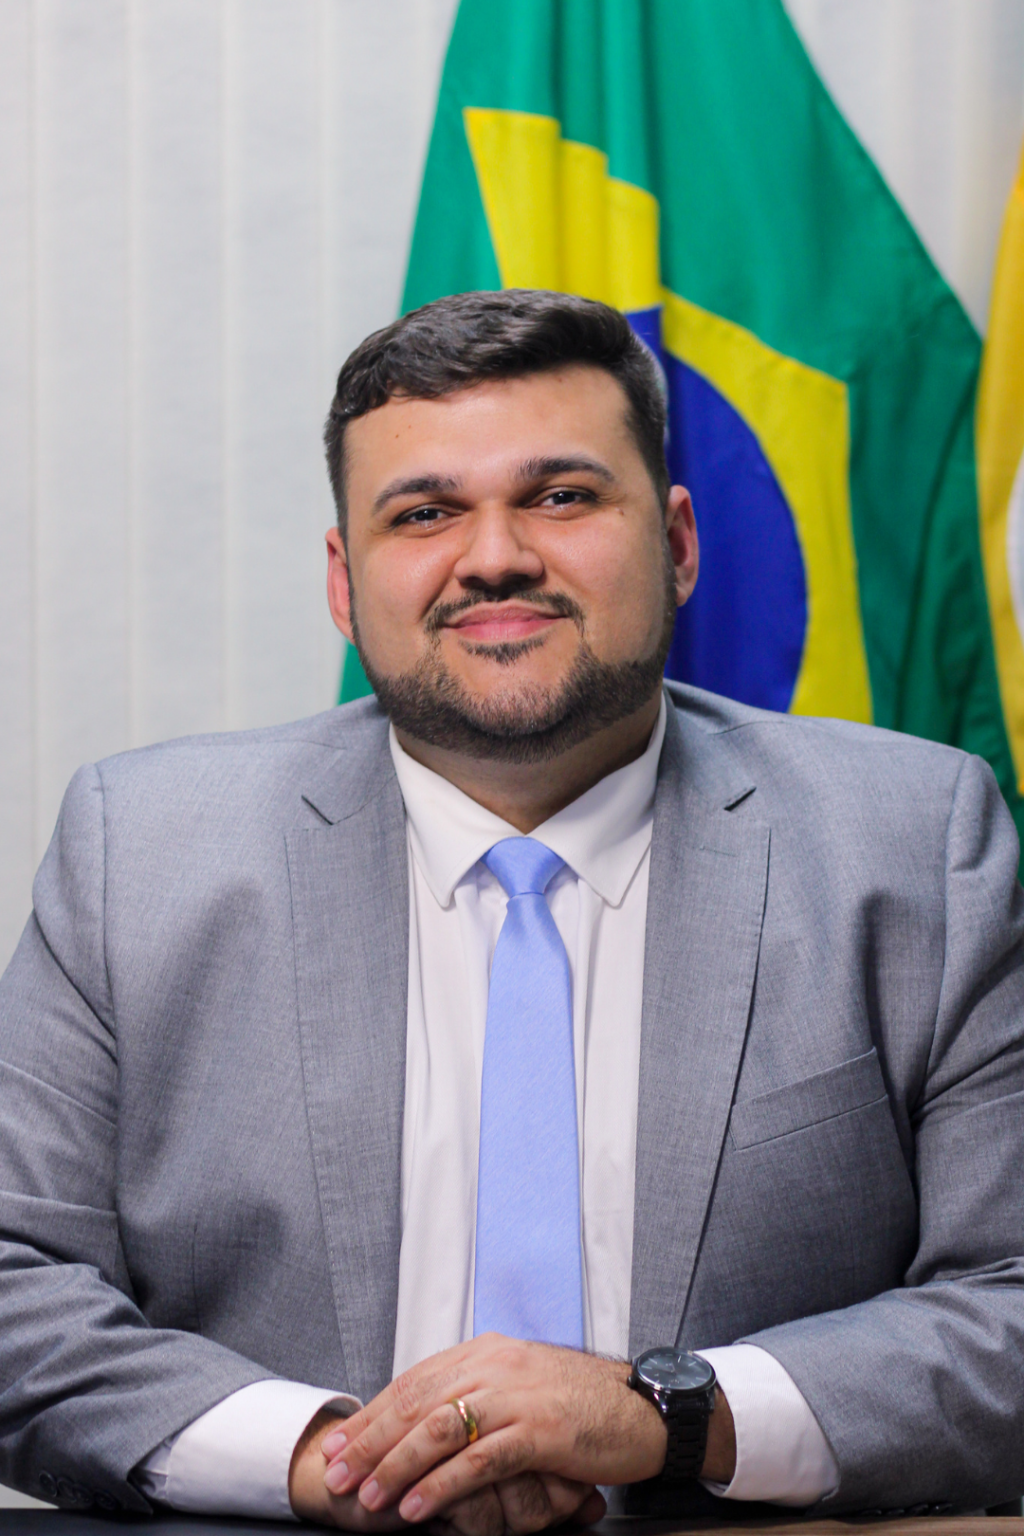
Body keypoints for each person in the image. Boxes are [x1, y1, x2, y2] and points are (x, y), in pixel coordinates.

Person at [1, 289, 1023, 1531]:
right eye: (423, 513)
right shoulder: (138, 852)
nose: (493, 555)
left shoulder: (914, 845)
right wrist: (340, 1462)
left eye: (561, 496)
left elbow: (1009, 1299)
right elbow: (16, 1284)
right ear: (343, 583)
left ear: (679, 544)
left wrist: (669, 1420)